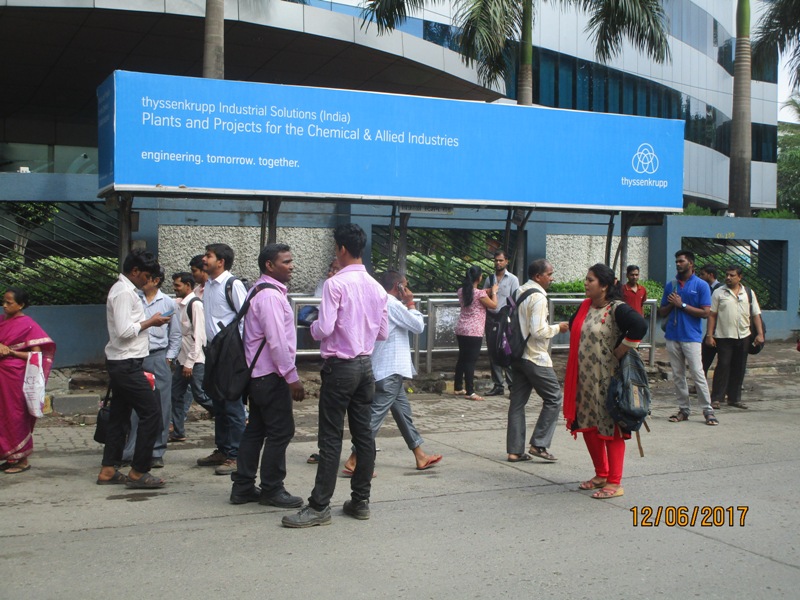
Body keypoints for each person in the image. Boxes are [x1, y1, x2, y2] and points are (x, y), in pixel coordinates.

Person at [282, 224, 388, 528]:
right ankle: (360, 501)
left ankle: (319, 506)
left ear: (341, 249)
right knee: (363, 436)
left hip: (340, 366)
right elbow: (382, 332)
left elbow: (324, 329)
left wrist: (312, 327)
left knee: (330, 438)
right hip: (365, 366)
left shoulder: (335, 285)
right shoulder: (377, 287)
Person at [343, 270, 442, 473]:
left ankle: (420, 455)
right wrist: (411, 302)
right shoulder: (393, 304)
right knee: (375, 416)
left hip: (385, 368)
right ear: (399, 287)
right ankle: (354, 459)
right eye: (405, 285)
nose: (407, 289)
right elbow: (417, 326)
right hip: (390, 370)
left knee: (403, 414)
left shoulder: (377, 301)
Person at [230, 243, 306, 507]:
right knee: (281, 432)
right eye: (286, 261)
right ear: (269, 266)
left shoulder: (258, 290)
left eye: (291, 260)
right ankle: (272, 489)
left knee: (256, 431)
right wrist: (291, 377)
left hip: (258, 376)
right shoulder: (270, 297)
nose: (291, 266)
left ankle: (242, 487)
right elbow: (277, 342)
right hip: (270, 377)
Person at [563, 264, 647, 499]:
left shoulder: (617, 309)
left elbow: (640, 326)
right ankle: (601, 474)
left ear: (605, 285)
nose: (586, 283)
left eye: (590, 280)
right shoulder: (585, 307)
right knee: (589, 425)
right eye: (586, 279)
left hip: (609, 382)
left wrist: (622, 348)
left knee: (612, 429)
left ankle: (615, 482)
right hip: (585, 381)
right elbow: (573, 327)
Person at [97, 250, 170, 488]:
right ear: (135, 271)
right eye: (146, 276)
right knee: (151, 413)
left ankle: (109, 468)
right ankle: (139, 471)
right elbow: (124, 331)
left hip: (127, 362)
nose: (148, 281)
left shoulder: (128, 291)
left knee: (120, 416)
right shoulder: (123, 293)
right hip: (125, 363)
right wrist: (151, 321)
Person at [507, 260, 569, 463]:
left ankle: (515, 451)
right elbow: (538, 331)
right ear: (537, 277)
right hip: (535, 357)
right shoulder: (539, 297)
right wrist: (558, 327)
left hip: (517, 355)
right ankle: (539, 444)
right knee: (554, 398)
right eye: (549, 274)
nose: (552, 278)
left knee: (517, 403)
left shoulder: (520, 291)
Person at [197, 243, 249, 476]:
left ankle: (236, 455)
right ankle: (223, 448)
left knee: (232, 403)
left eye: (208, 256)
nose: (204, 259)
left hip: (230, 352)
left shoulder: (233, 284)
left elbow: (246, 319)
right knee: (218, 401)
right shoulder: (208, 285)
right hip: (213, 351)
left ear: (221, 262)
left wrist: (241, 354)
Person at [121, 267, 181, 468]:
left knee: (162, 405)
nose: (141, 281)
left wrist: (169, 358)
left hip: (158, 356)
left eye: (147, 278)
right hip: (136, 356)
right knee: (135, 406)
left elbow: (175, 334)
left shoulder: (169, 303)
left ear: (155, 281)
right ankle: (131, 449)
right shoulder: (132, 298)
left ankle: (157, 450)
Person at [0, 287, 56, 474]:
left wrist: (10, 351)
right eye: (4, 301)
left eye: (9, 302)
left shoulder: (28, 325)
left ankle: (21, 459)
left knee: (15, 414)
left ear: (21, 305)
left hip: (15, 377)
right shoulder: (1, 321)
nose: (5, 305)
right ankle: (9, 456)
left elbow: (36, 356)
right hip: (2, 376)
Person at [659, 250, 718, 426]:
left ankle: (708, 410)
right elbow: (662, 311)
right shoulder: (671, 285)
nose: (678, 264)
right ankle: (684, 409)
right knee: (678, 375)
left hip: (691, 337)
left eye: (681, 261)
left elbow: (706, 312)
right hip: (672, 336)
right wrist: (672, 303)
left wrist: (682, 304)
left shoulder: (701, 285)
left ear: (690, 264)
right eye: (676, 261)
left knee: (697, 373)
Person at [706, 265, 764, 411]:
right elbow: (712, 315)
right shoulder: (719, 292)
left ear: (739, 277)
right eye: (727, 275)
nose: (728, 278)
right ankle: (717, 398)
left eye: (732, 275)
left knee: (739, 367)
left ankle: (734, 398)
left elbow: (756, 314)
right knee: (723, 366)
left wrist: (760, 333)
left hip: (744, 336)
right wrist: (709, 335)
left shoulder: (748, 293)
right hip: (724, 336)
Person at [169, 272, 214, 443]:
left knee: (200, 394)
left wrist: (190, 363)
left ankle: (229, 415)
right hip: (182, 359)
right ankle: (178, 431)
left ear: (188, 285)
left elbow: (199, 337)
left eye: (177, 285)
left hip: (195, 360)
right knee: (176, 394)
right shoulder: (180, 304)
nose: (175, 288)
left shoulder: (195, 305)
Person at [454, 265, 498, 401]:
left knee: (462, 358)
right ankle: (470, 391)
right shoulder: (480, 294)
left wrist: (487, 290)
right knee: (470, 362)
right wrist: (494, 292)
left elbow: (475, 292)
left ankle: (458, 387)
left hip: (461, 328)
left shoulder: (461, 291)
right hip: (474, 331)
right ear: (479, 278)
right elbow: (494, 305)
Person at [483, 250, 520, 396]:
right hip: (491, 318)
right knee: (493, 351)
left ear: (506, 262)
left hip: (505, 318)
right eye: (496, 260)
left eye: (500, 260)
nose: (498, 263)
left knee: (506, 350)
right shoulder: (489, 279)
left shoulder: (512, 279)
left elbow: (515, 300)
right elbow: (483, 296)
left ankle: (512, 386)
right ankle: (498, 385)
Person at [698, 264, 723, 376]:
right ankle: (699, 385)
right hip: (712, 329)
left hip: (721, 329)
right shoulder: (707, 288)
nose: (700, 277)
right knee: (704, 358)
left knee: (724, 360)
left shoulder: (720, 290)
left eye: (703, 274)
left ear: (710, 275)